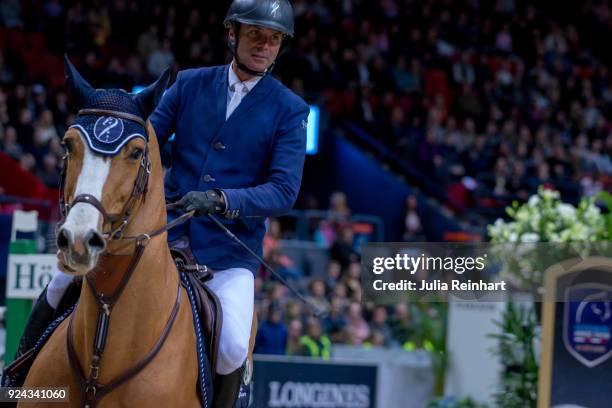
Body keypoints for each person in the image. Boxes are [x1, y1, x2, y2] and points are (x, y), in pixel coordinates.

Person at [13, 1, 309, 407]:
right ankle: (13, 381)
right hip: (157, 236)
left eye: (274, 39)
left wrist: (223, 199)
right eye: (256, 34)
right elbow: (143, 138)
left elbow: (283, 190)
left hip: (226, 255)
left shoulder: (289, 110)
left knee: (234, 344)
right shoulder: (189, 84)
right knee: (60, 283)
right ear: (233, 34)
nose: (264, 46)